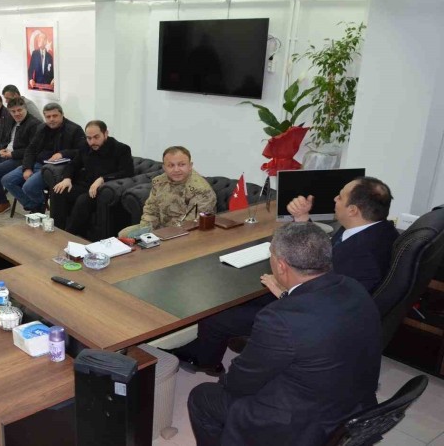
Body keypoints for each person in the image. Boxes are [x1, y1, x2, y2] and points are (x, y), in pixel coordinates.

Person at [169, 176, 399, 376]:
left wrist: (284, 294)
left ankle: (205, 361)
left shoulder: (365, 257)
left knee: (217, 315)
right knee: (235, 292)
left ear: (353, 210)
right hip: (308, 292)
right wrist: (303, 219)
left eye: (340, 197)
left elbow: (335, 308)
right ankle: (214, 342)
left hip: (306, 313)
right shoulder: (374, 231)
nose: (334, 199)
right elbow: (324, 255)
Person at [187, 222, 382, 446]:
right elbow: (316, 321)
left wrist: (224, 381)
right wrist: (285, 296)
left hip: (306, 425)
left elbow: (241, 383)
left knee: (202, 396)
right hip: (355, 407)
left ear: (281, 266)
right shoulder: (353, 287)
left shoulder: (278, 319)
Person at [50, 120, 134, 238]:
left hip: (103, 189)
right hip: (85, 184)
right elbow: (73, 164)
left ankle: (68, 236)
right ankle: (56, 231)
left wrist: (102, 179)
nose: (92, 142)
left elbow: (127, 172)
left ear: (105, 134)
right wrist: (67, 179)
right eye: (89, 138)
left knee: (83, 201)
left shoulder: (121, 149)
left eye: (96, 137)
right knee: (58, 191)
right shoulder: (85, 146)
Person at [1, 102, 86, 214]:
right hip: (37, 163)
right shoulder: (41, 128)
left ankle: (37, 209)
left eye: (55, 116)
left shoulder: (74, 129)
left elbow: (83, 151)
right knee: (7, 180)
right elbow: (30, 149)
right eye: (48, 117)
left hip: (54, 168)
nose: (51, 119)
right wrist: (27, 168)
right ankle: (36, 206)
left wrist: (63, 153)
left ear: (62, 115)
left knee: (29, 187)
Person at [118, 146, 216, 237]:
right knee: (124, 235)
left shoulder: (200, 191)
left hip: (184, 234)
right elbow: (151, 209)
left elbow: (192, 224)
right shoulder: (159, 181)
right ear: (164, 167)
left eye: (181, 165)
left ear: (190, 166)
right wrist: (145, 231)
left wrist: (160, 237)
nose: (176, 169)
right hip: (159, 227)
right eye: (171, 165)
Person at [0, 96, 41, 214]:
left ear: (25, 109)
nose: (17, 114)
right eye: (13, 111)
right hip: (6, 152)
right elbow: (4, 139)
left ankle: (3, 202)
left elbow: (33, 150)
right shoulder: (11, 121)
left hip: (20, 158)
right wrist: (1, 150)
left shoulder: (34, 124)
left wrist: (12, 154)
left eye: (19, 110)